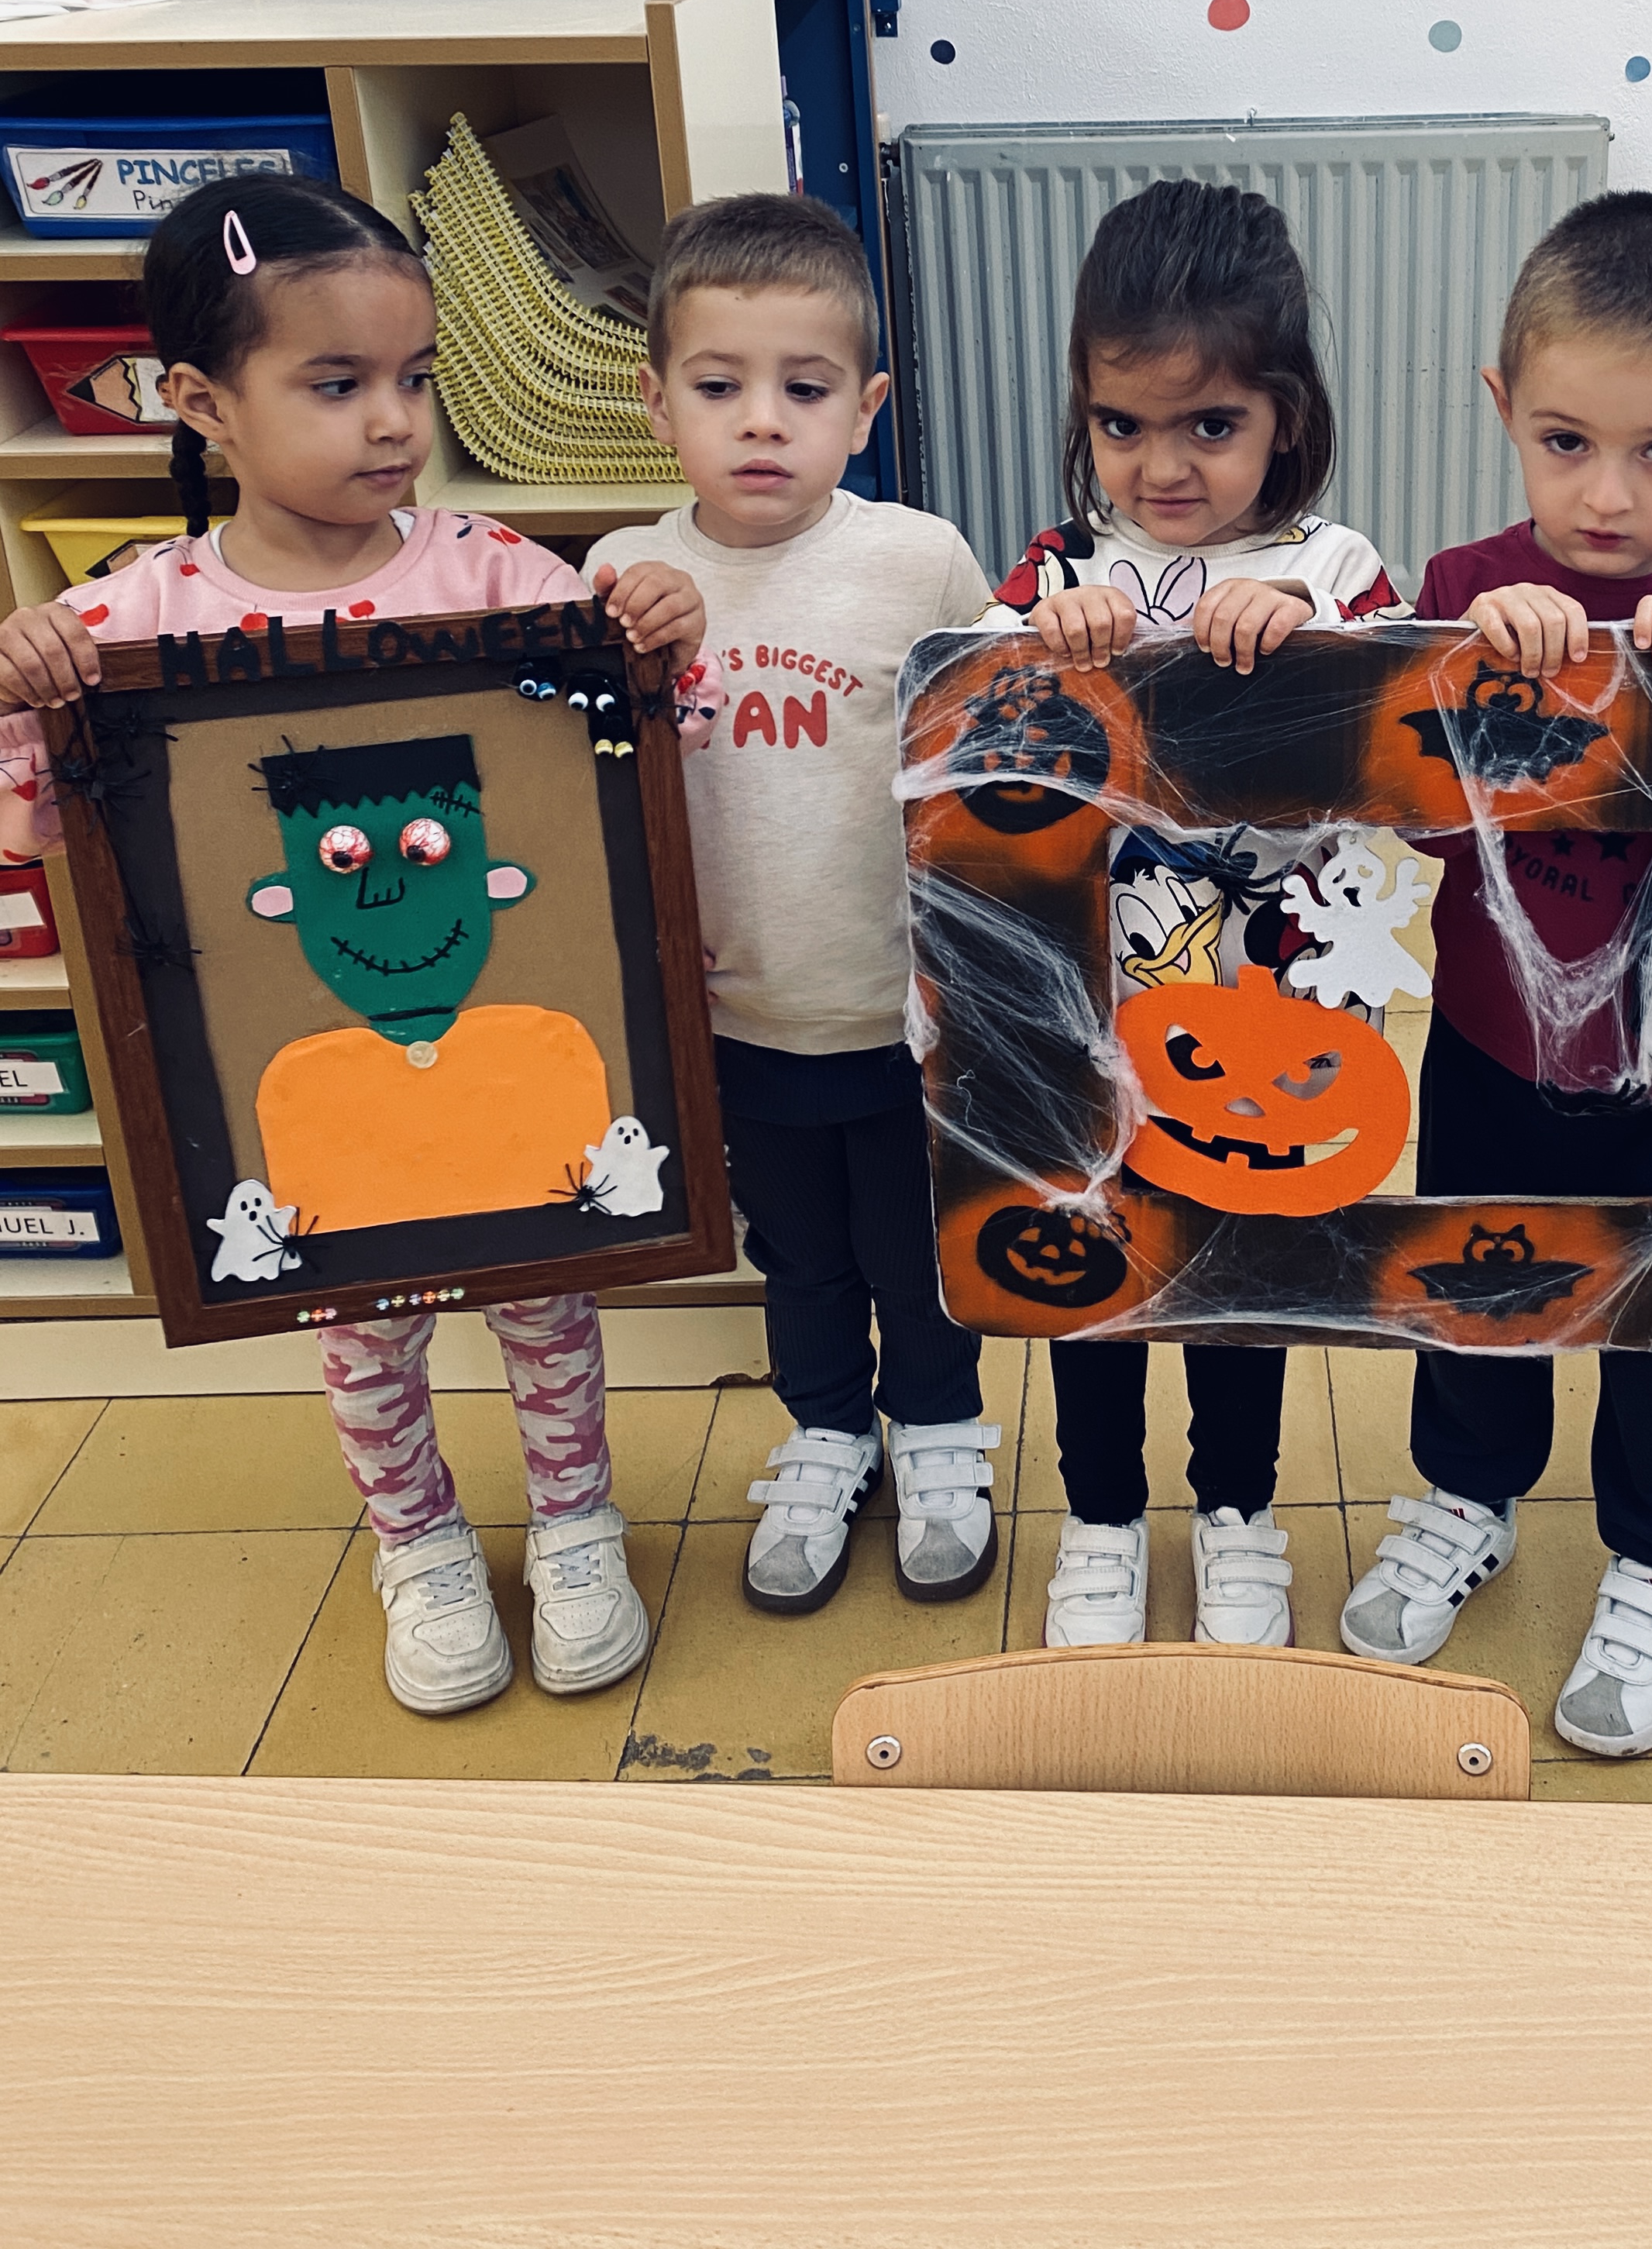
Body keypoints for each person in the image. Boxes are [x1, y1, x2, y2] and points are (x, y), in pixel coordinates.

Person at [0, 172, 705, 1718]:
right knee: (359, 1324)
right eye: (336, 385)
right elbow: (37, 828)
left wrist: (656, 627)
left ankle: (577, 1522)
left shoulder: (498, 575)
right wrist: (22, 681)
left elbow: (631, 771)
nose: (393, 422)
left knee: (546, 1299)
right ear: (200, 403)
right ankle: (421, 1544)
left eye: (414, 377)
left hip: (506, 1055)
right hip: (303, 1086)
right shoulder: (130, 628)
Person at [1338, 189, 1652, 1758]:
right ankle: (1465, 1499)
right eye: (1565, 442)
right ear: (1503, 410)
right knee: (1482, 1279)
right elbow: (1412, 826)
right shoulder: (1465, 577)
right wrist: (1471, 657)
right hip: (1496, 1039)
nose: (1606, 496)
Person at [986, 177, 1405, 1650]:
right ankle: (1101, 1514)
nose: (1161, 467)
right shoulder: (1061, 567)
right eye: (1122, 424)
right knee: (1094, 1244)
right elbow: (969, 728)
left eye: (1210, 425)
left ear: (1286, 413)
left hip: (1275, 1025)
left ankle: (1239, 1508)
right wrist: (1037, 643)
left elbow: (1396, 737)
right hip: (1094, 1009)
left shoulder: (1336, 570)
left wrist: (1310, 639)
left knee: (1243, 1257)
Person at [589, 195, 1006, 1623]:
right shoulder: (621, 576)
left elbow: (999, 756)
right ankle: (829, 1431)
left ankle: (940, 1433)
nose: (762, 421)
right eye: (719, 387)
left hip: (903, 1009)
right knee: (800, 1257)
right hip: (733, 1012)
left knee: (917, 1250)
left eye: (806, 390)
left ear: (866, 409)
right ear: (658, 404)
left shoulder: (920, 559)